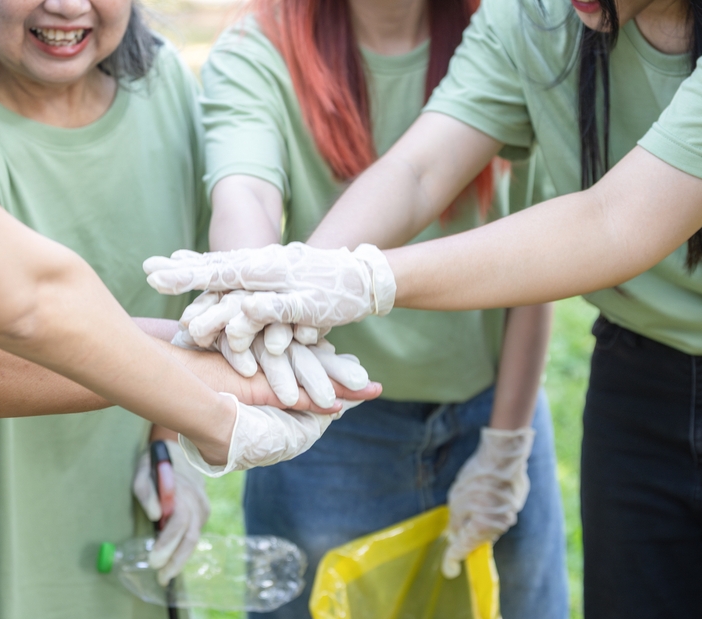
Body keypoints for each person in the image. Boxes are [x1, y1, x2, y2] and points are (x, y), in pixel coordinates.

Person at [144, 0, 702, 616]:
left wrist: (358, 281)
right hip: (638, 382)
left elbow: (614, 219)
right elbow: (428, 172)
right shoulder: (538, 19)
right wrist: (311, 283)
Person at [0, 0, 376, 617]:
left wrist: (167, 442)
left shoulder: (163, 90)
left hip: (113, 518)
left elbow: (177, 292)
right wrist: (210, 397)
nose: (69, 6)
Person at [198, 0, 566, 616]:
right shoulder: (261, 49)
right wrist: (256, 297)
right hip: (329, 419)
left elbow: (533, 267)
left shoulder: (507, 36)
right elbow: (247, 192)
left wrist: (507, 442)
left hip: (495, 404)